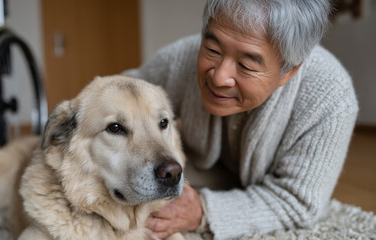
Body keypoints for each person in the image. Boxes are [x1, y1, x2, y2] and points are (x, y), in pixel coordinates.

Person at [123, 0, 358, 239]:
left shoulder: (330, 97)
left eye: (246, 65)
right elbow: (120, 94)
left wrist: (201, 210)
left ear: (288, 72)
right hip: (195, 174)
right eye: (213, 50)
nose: (219, 77)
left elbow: (299, 202)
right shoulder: (179, 59)